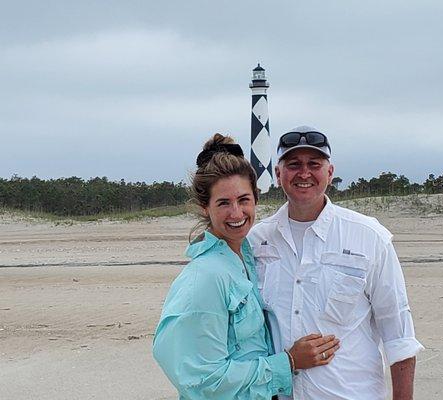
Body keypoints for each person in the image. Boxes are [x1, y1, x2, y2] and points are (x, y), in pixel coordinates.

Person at [153, 133, 340, 400]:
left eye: (243, 200)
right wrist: (288, 363)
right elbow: (201, 381)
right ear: (205, 208)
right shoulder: (205, 276)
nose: (237, 213)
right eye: (223, 203)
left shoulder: (245, 259)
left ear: (255, 199)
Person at [249, 126, 424, 400]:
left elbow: (399, 334)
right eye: (293, 164)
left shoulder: (370, 237)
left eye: (314, 165)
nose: (304, 173)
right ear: (278, 174)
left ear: (329, 173)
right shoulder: (256, 241)